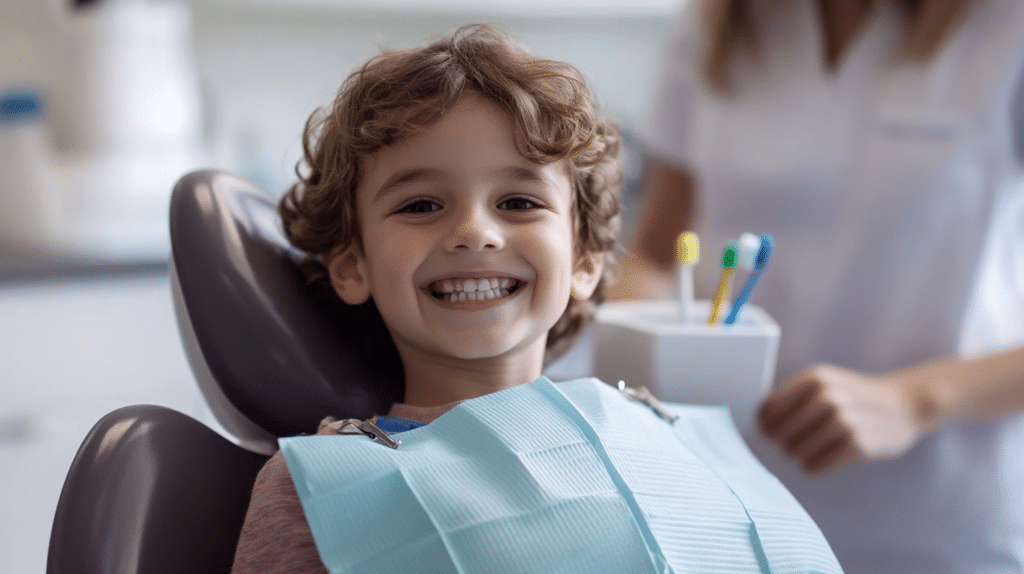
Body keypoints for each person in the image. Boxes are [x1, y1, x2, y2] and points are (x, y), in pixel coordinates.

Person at [230, 25, 842, 574]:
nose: (475, 231)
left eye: (519, 202)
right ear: (351, 266)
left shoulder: (665, 432)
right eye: (420, 205)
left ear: (583, 261)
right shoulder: (321, 487)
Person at [612, 0, 1024, 572]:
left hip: (936, 515)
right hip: (720, 501)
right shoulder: (715, 27)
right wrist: (646, 352)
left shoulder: (1006, 28)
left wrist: (911, 400)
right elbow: (657, 256)